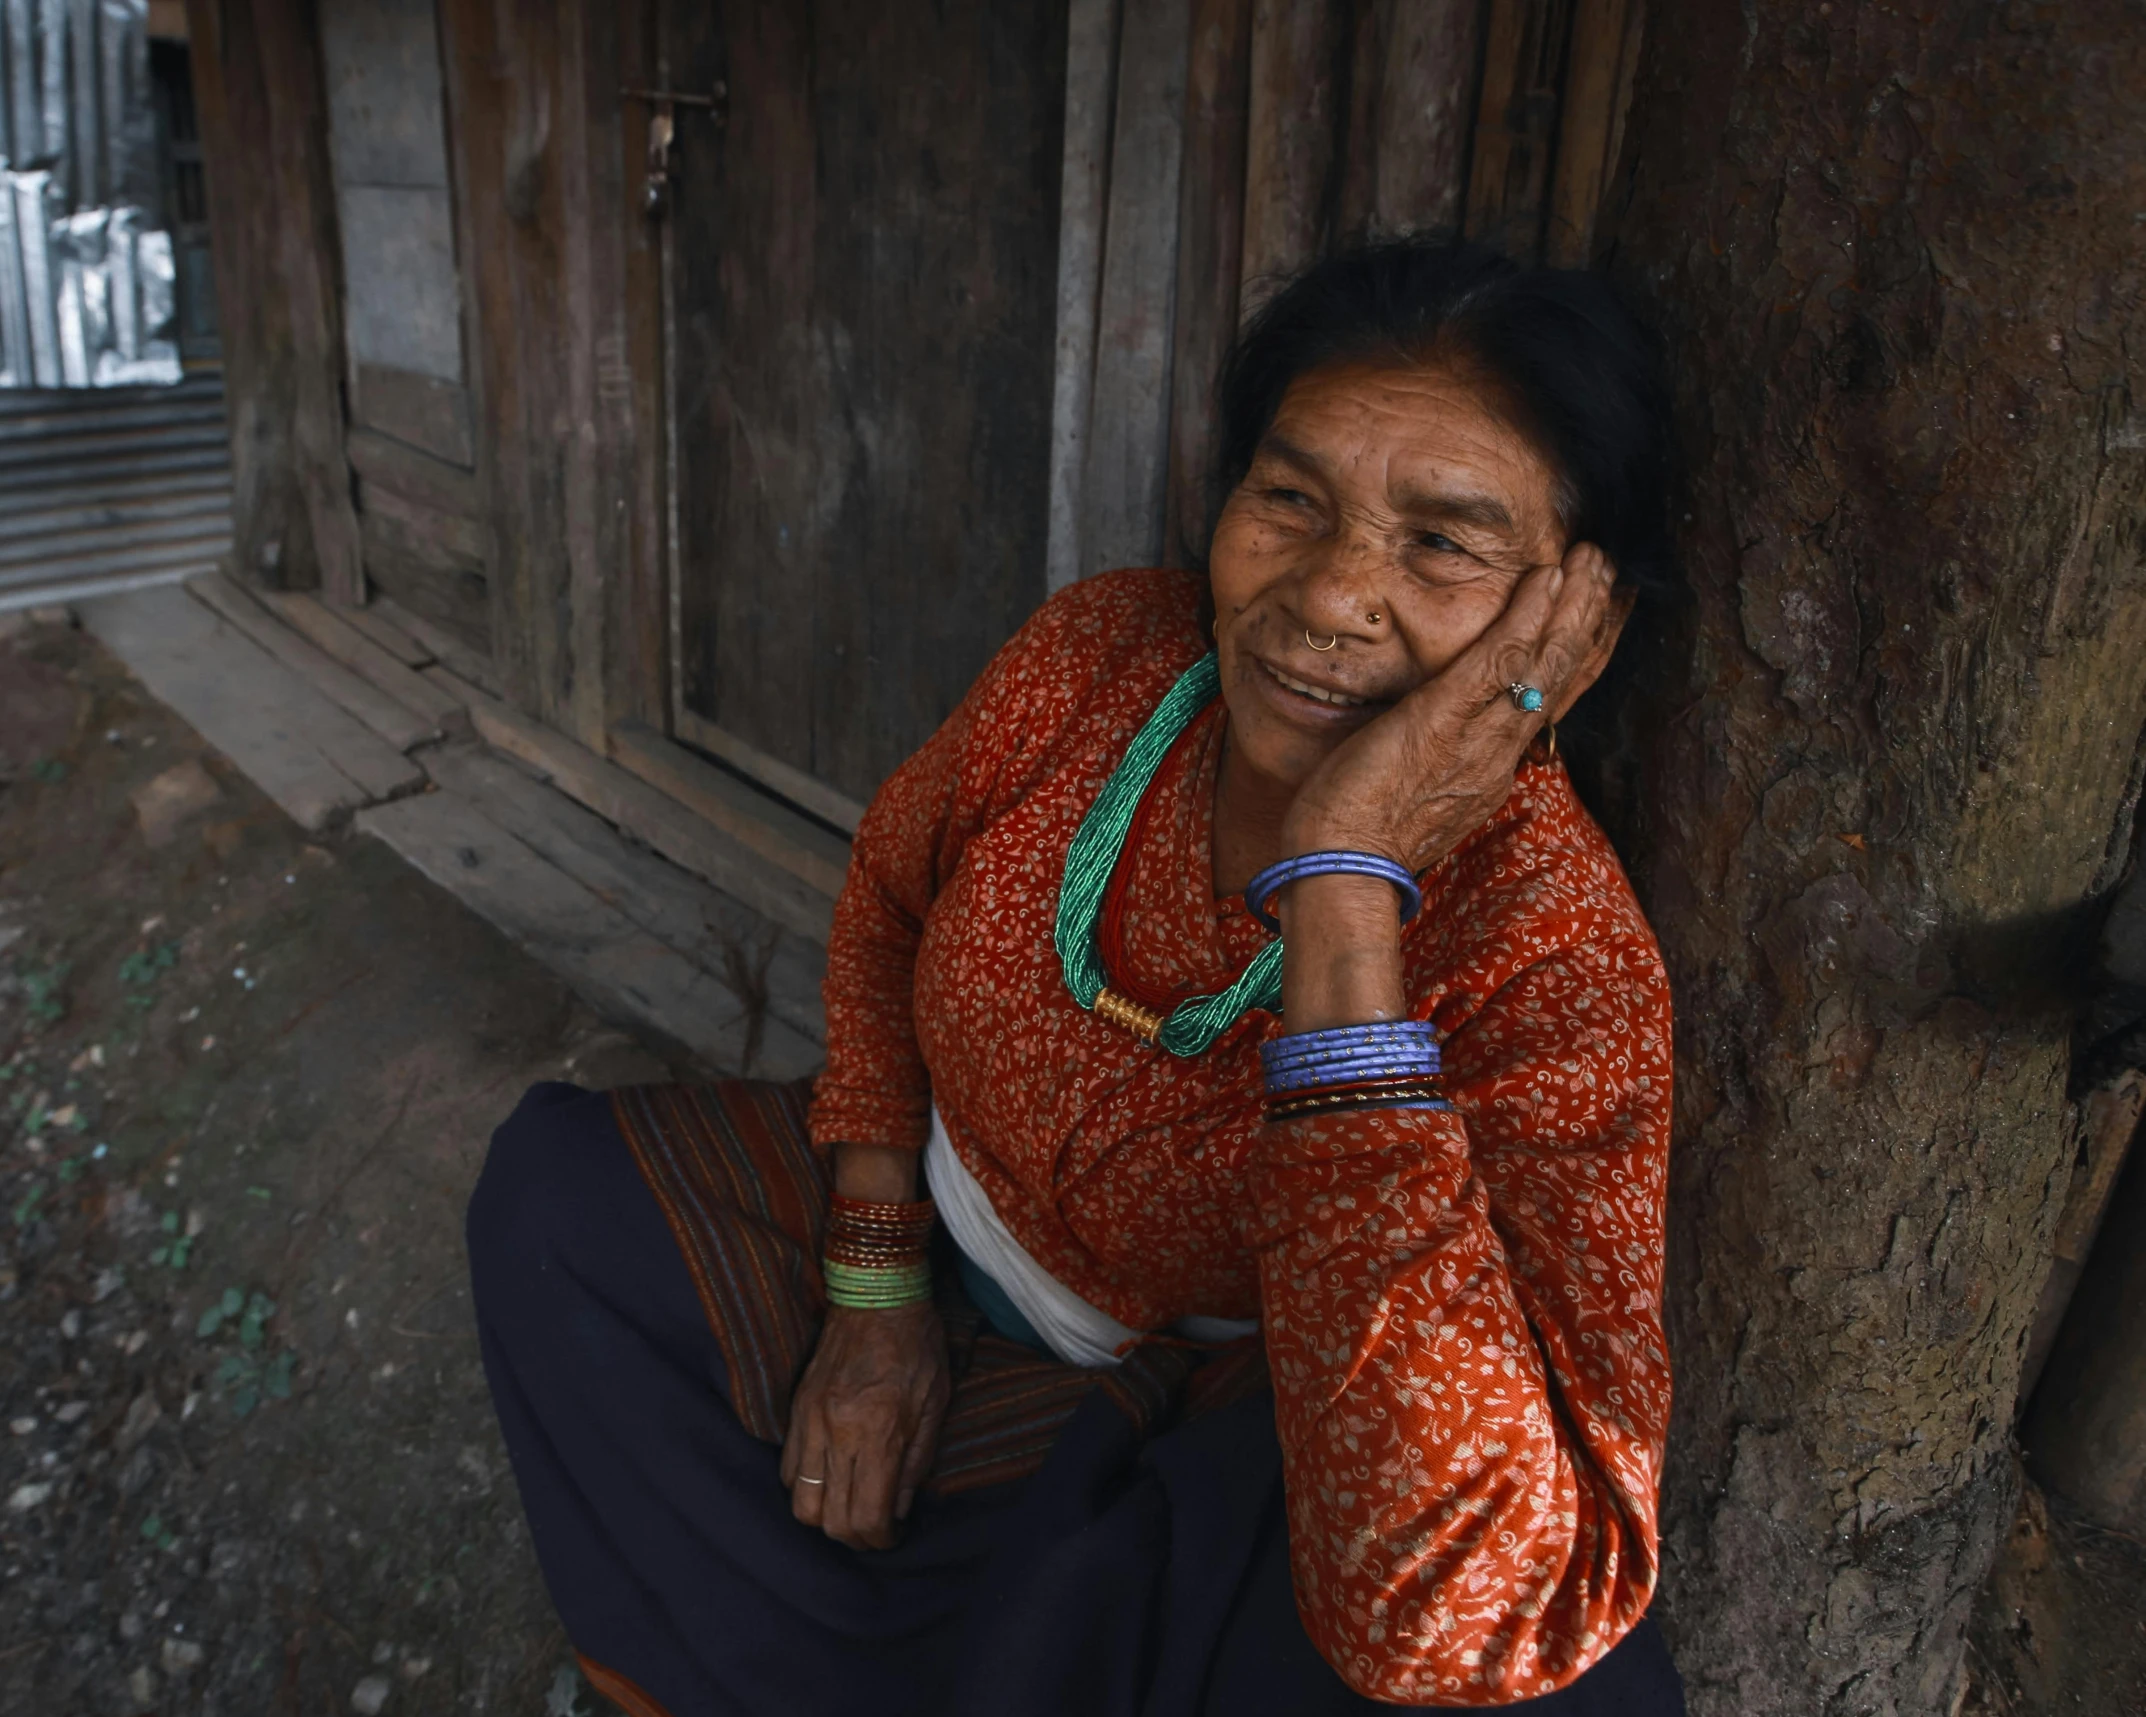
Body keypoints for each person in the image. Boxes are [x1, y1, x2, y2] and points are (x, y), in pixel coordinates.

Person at [467, 236, 1686, 1715]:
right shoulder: (1103, 656)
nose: (1328, 596)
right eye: (1288, 499)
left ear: (1577, 615)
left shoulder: (1556, 953)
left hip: (1193, 1409)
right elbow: (890, 904)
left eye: (1441, 544)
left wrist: (1351, 875)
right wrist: (871, 1293)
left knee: (1504, 1671)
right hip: (918, 1232)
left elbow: (1449, 1603)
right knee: (557, 1204)